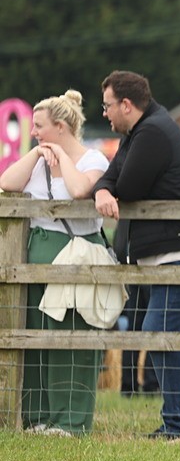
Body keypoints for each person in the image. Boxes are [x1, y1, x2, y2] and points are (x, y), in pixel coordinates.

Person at [92, 71, 180, 443]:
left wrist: (108, 188)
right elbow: (112, 177)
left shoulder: (151, 133)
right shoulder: (145, 129)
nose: (104, 113)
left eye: (107, 106)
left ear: (126, 104)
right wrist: (105, 187)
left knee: (163, 332)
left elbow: (129, 187)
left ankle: (179, 426)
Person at [0, 90, 110, 436]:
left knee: (72, 338)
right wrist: (36, 153)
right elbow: (6, 183)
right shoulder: (35, 161)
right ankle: (38, 418)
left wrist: (62, 155)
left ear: (61, 127)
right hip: (36, 255)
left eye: (39, 127)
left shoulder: (93, 160)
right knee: (34, 336)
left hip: (77, 256)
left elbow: (80, 191)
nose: (34, 131)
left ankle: (71, 422)